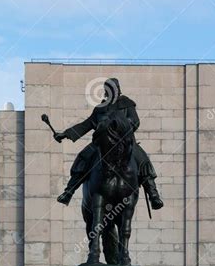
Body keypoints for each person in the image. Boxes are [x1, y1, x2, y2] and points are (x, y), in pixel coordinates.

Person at [54, 77, 163, 210]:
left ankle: (153, 195)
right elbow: (87, 125)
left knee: (143, 159)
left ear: (117, 89)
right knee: (83, 157)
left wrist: (118, 126)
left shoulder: (126, 103)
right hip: (101, 143)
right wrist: (65, 133)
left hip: (125, 142)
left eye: (113, 88)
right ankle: (69, 191)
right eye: (107, 89)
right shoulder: (100, 108)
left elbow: (135, 122)